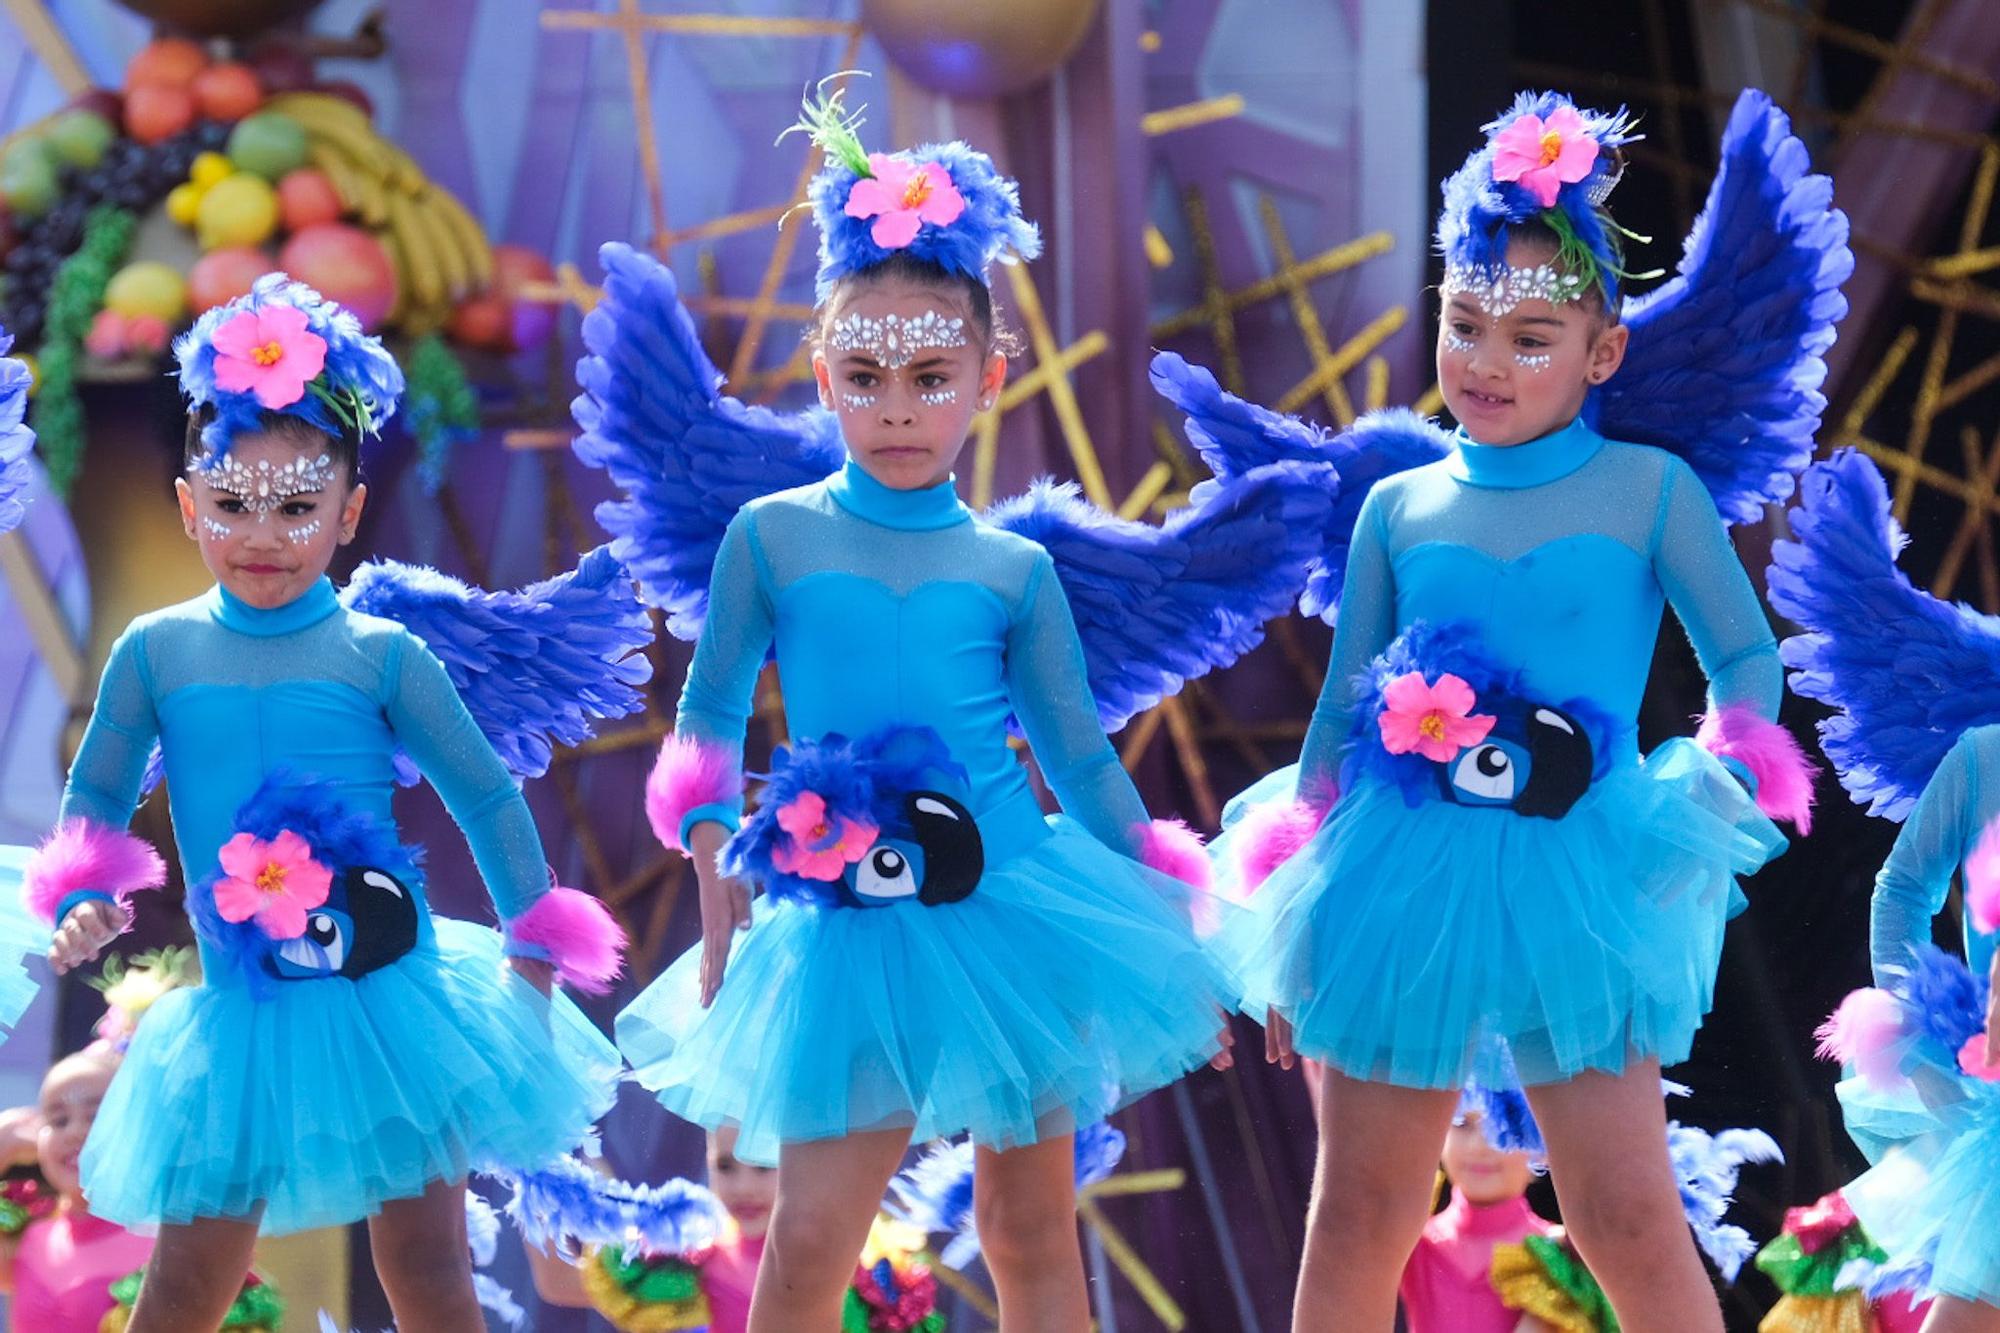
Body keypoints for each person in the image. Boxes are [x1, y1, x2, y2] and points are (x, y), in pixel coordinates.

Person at [596, 86, 1325, 1332]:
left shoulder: (1010, 570)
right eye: (867, 374)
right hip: (842, 921)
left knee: (1029, 1226)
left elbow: (1082, 764)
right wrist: (712, 844)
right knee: (811, 1229)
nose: (894, 405)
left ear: (987, 379)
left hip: (1013, 914)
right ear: (821, 372)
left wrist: (1176, 929)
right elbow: (710, 710)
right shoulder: (769, 536)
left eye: (928, 377)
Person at [1200, 90, 1849, 1333]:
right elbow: (1343, 704)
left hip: (1579, 868)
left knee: (1619, 1210)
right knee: (1357, 1213)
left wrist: (1702, 793)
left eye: (1531, 338)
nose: (1487, 364)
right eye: (1465, 325)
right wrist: (1296, 909)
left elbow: (1744, 663)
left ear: (1601, 351)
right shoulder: (1399, 504)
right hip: (1398, 871)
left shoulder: (1646, 489)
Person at [17, 276, 625, 1332]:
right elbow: (101, 787)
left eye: (297, 507)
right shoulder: (155, 651)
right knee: (190, 1274)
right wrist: (84, 882)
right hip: (238, 1012)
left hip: (391, 995)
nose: (264, 534)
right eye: (233, 504)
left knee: (425, 1260)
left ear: (347, 512)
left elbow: (483, 791)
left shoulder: (378, 651)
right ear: (186, 504)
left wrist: (536, 932)